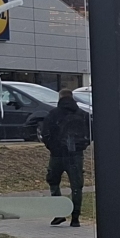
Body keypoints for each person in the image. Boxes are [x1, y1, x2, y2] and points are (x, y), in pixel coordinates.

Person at [44, 88, 91, 227]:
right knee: (76, 186)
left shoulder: (53, 114)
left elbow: (45, 133)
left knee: (53, 182)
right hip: (75, 155)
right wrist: (81, 147)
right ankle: (75, 218)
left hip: (57, 155)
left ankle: (59, 213)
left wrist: (52, 147)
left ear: (60, 97)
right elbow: (90, 134)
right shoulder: (83, 114)